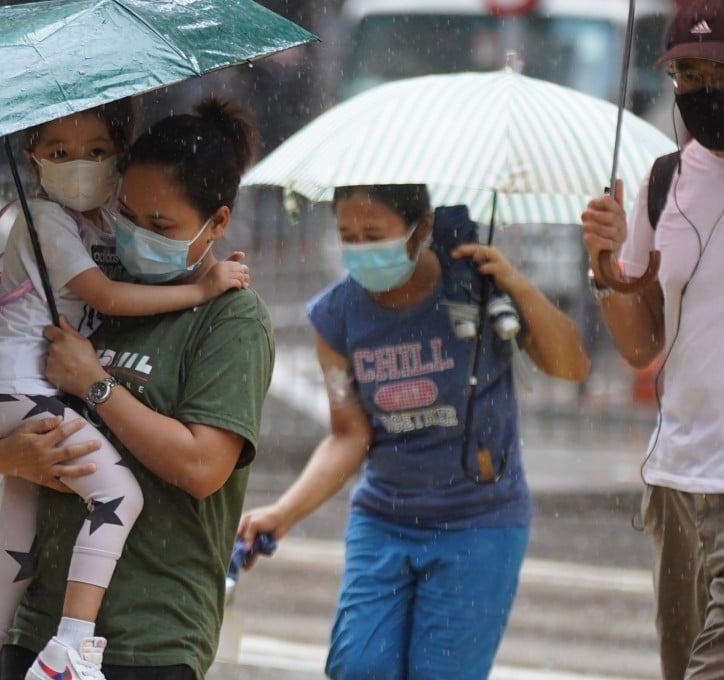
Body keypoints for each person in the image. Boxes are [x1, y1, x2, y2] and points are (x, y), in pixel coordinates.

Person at [0, 96, 275, 680]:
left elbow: (202, 466)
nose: (136, 235)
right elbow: (13, 406)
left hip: (147, 641)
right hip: (36, 630)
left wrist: (96, 384)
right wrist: (2, 454)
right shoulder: (95, 281)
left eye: (160, 226)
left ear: (217, 224)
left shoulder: (230, 320)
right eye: (128, 214)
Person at [236, 184, 589, 680]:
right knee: (359, 666)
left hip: (479, 524)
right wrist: (283, 511)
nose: (359, 247)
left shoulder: (477, 287)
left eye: (373, 233)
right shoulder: (337, 315)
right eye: (347, 235)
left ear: (421, 228)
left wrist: (516, 283)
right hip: (384, 519)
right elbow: (347, 434)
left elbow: (571, 365)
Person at [580, 3, 724, 678]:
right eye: (689, 74)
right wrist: (606, 274)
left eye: (719, 70)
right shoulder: (664, 182)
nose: (703, 91)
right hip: (676, 482)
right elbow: (642, 348)